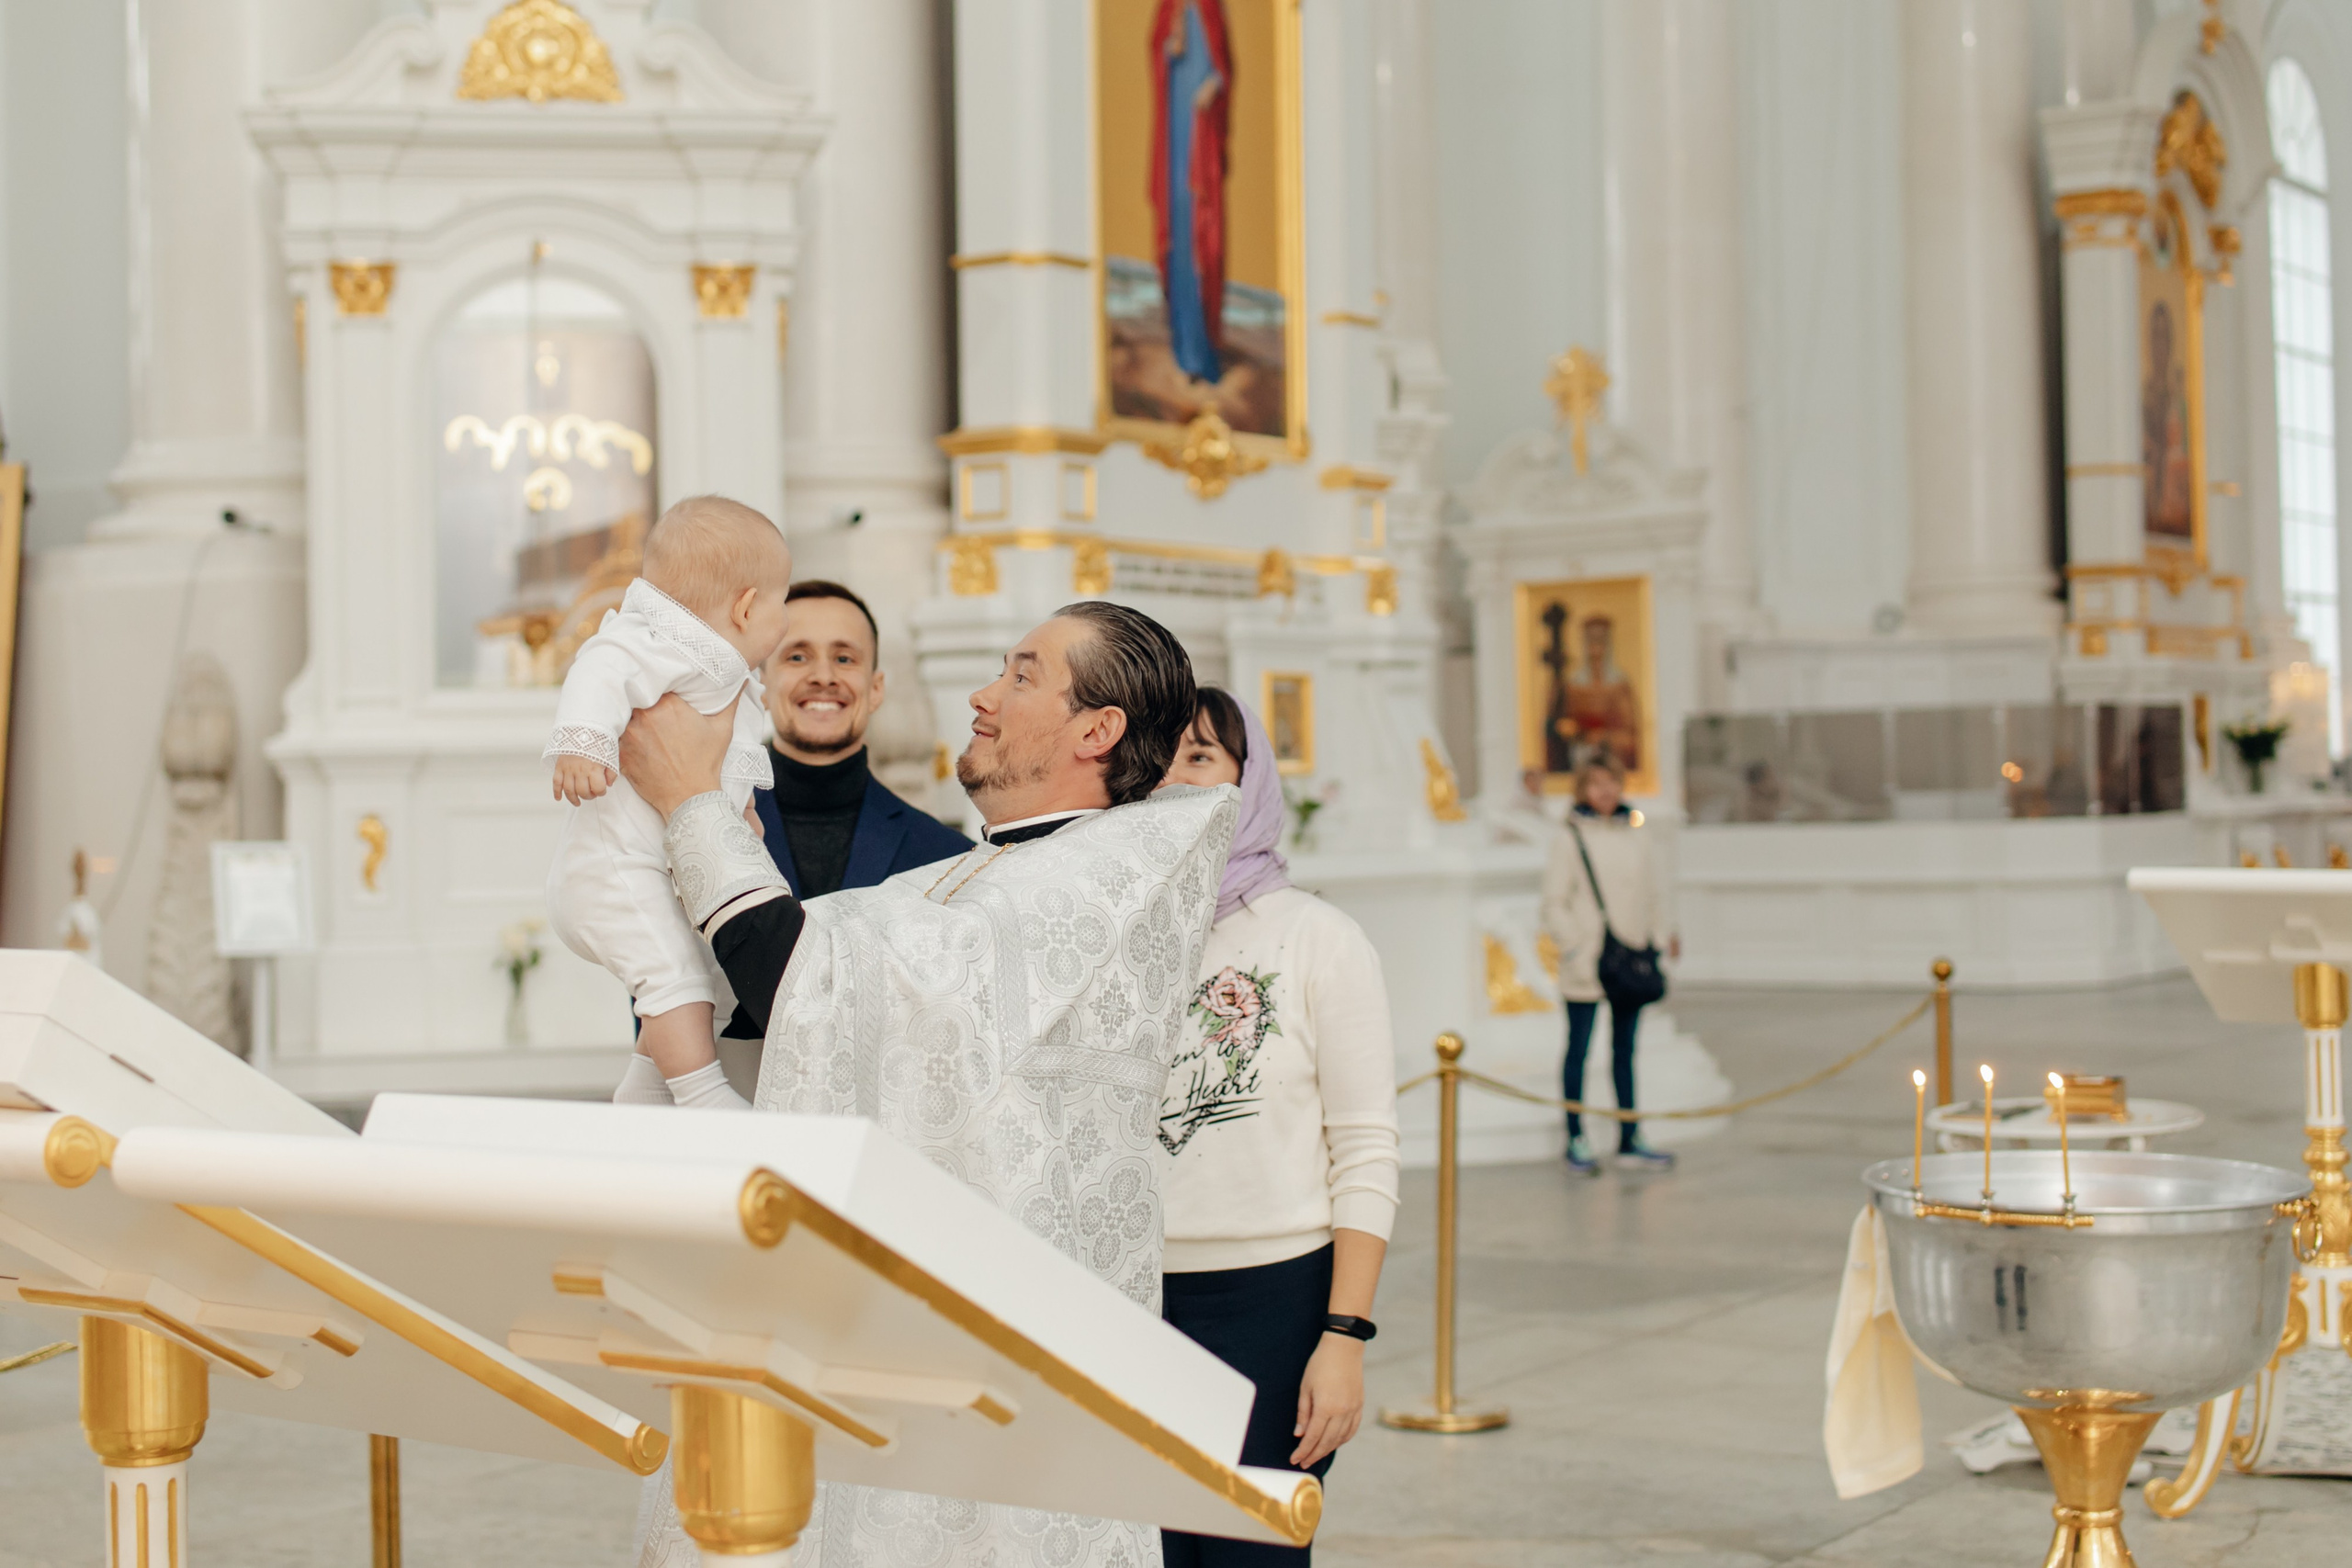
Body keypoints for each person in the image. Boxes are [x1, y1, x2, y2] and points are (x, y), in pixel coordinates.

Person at [618, 600, 1232, 1568]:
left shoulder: (1080, 893)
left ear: (1097, 730)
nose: (983, 698)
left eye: (1022, 675)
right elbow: (827, 977)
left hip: (991, 1367)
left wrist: (688, 804)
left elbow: (803, 986)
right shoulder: (989, 878)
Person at [1157, 688, 1398, 1568]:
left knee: (1248, 1554)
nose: (1171, 779)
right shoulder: (1108, 937)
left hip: (1270, 1300)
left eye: (1199, 757)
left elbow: (1366, 1148)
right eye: (1155, 757)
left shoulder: (1317, 937)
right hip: (1132, 1296)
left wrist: (1344, 1338)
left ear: (1248, 779)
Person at [544, 494, 787, 1115]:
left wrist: (740, 813)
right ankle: (702, 1094)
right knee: (674, 975)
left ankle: (646, 1088)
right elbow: (602, 664)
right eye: (783, 603)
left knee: (705, 974)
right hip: (612, 870)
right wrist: (584, 739)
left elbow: (719, 759)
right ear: (746, 607)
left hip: (655, 873)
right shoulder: (660, 643)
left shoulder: (721, 671)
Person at [751, 580, 972, 899]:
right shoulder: (711, 830)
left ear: (876, 689)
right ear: (762, 686)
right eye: (797, 657)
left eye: (844, 659)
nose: (823, 676)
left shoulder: (946, 857)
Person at [1538, 757, 1677, 1174]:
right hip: (1589, 961)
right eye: (1595, 785)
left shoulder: (1636, 832)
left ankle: (1630, 1136)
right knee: (1578, 1050)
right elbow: (1553, 902)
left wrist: (1655, 938)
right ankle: (1575, 1135)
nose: (1604, 792)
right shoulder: (1569, 837)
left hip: (1629, 956)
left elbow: (1653, 889)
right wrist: (1576, 945)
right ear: (1582, 789)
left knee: (1625, 1050)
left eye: (1611, 783)